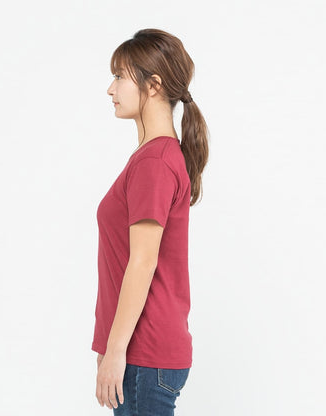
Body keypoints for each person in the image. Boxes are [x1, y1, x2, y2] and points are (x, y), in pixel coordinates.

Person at [91, 28, 210, 415]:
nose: (111, 89)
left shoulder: (154, 162)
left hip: (145, 354)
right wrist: (110, 345)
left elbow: (142, 263)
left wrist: (116, 350)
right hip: (144, 354)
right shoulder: (154, 157)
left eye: (120, 76)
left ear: (153, 85)